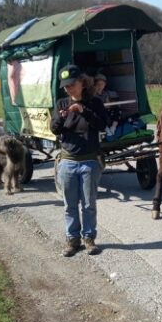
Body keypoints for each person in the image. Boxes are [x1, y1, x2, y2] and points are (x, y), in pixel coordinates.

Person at [50, 64, 108, 257]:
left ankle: (89, 238)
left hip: (89, 162)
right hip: (67, 162)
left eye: (72, 85)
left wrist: (83, 110)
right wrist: (61, 117)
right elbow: (54, 129)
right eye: (66, 87)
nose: (69, 89)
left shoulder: (95, 103)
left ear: (82, 83)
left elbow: (102, 124)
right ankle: (72, 239)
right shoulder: (61, 104)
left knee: (89, 204)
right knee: (70, 205)